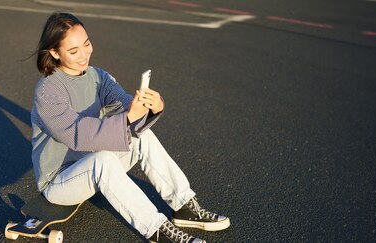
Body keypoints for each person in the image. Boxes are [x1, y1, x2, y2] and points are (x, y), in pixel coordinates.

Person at [30, 12, 230, 243]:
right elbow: (76, 134)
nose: (84, 54)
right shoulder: (47, 90)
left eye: (86, 44)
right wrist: (126, 119)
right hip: (60, 180)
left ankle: (184, 207)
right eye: (73, 51)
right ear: (54, 52)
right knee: (103, 159)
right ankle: (158, 231)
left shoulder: (98, 77)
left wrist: (151, 106)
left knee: (142, 136)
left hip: (92, 164)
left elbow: (125, 105)